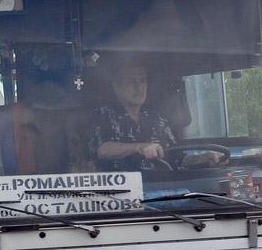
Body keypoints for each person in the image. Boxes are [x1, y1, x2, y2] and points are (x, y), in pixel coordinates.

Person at [89, 63, 225, 170]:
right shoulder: (103, 114)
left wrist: (205, 158)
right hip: (121, 196)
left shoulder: (156, 119)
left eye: (143, 81)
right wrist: (140, 147)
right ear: (117, 88)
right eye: (132, 82)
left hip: (161, 191)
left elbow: (178, 158)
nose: (139, 87)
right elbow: (102, 150)